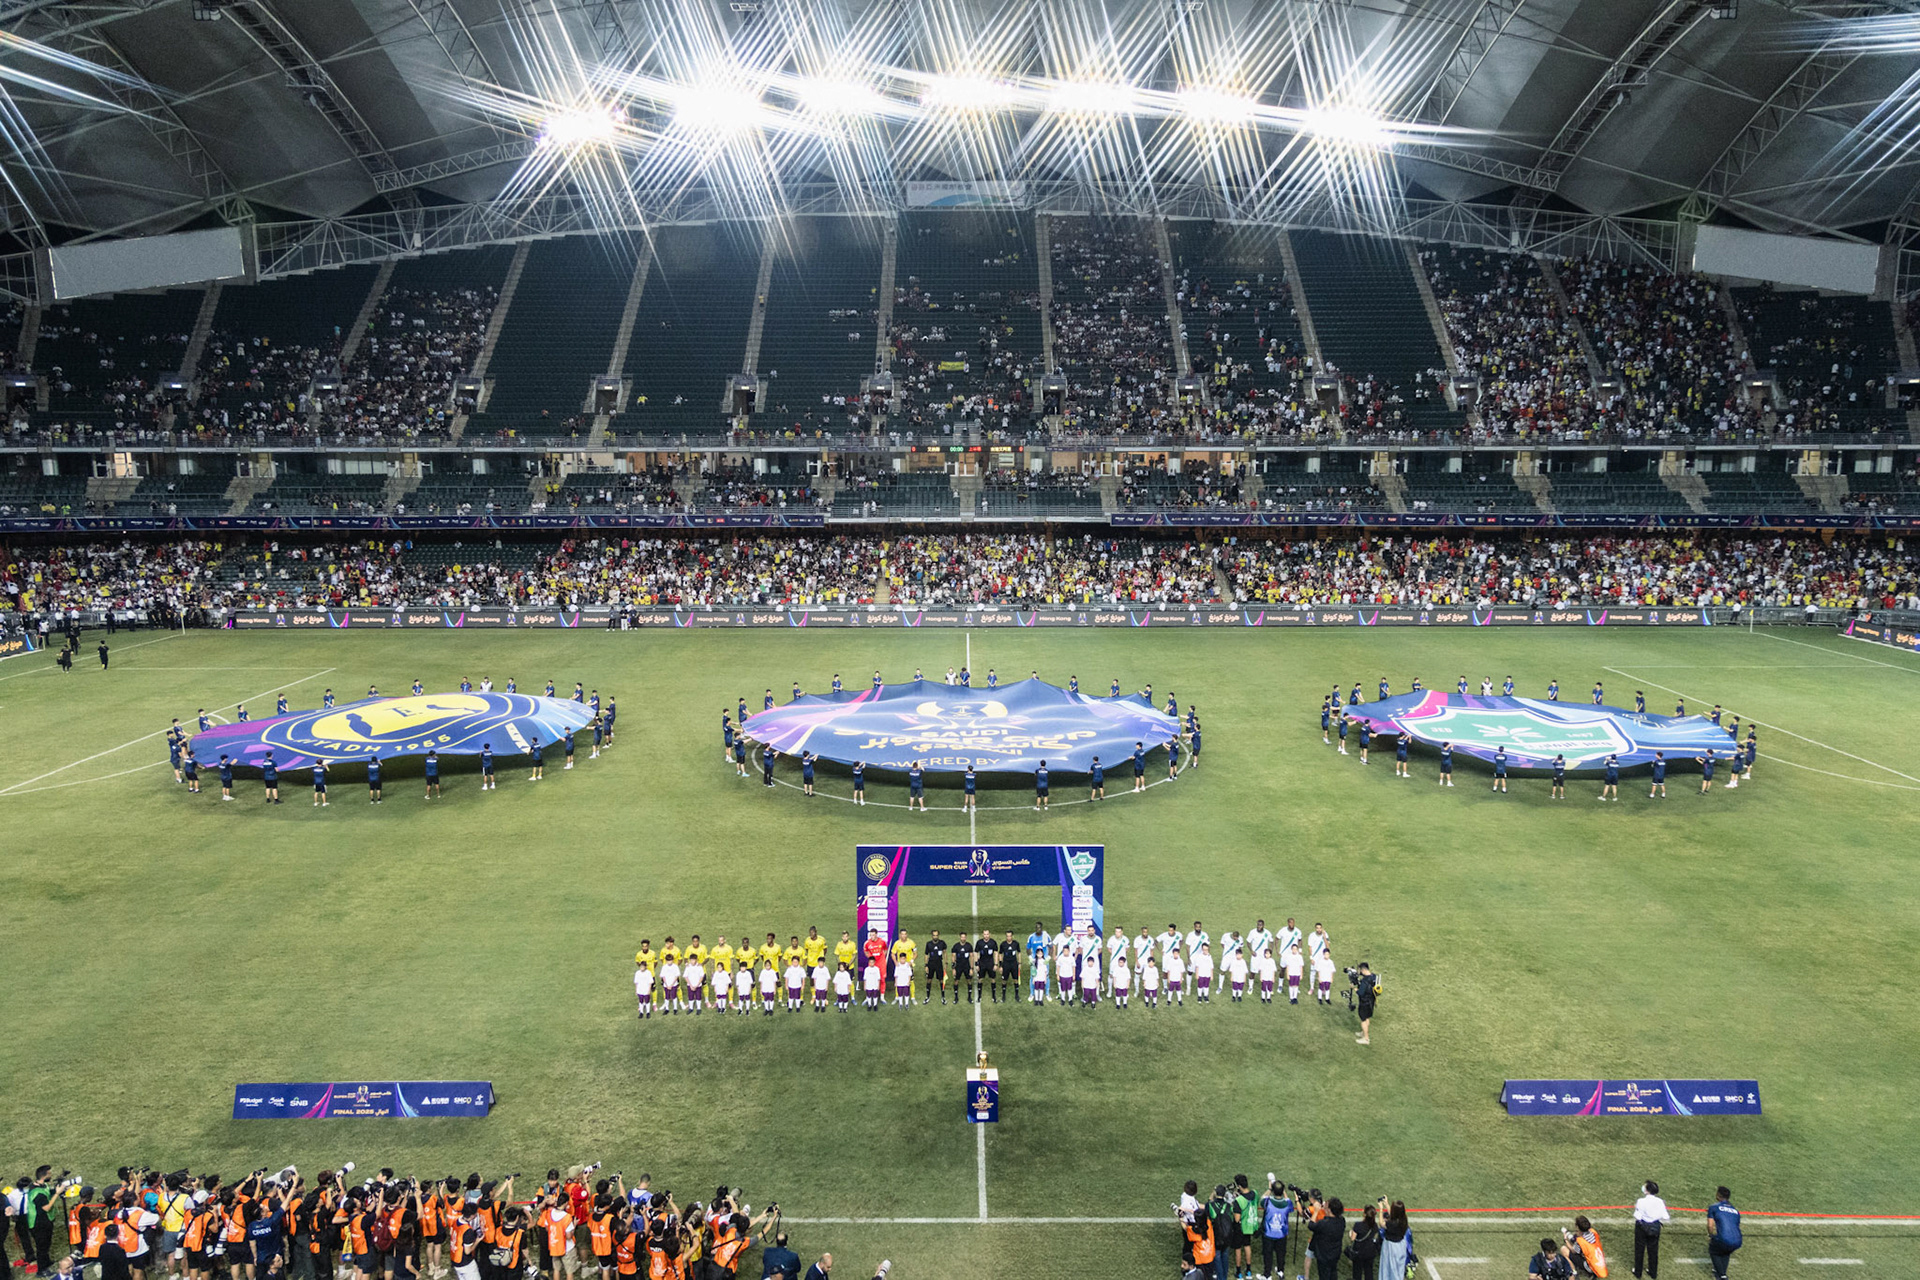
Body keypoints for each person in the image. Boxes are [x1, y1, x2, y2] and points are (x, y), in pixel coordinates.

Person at [1631, 1182, 1668, 1280]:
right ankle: (1653, 1272)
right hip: (1655, 1227)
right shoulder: (1660, 1202)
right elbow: (1665, 1216)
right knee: (1653, 1250)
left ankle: (1638, 1272)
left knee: (1639, 1249)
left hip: (1642, 1227)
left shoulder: (1641, 1201)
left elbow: (1637, 1215)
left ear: (1647, 1190)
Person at [1258, 1181, 1292, 1280]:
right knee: (1281, 1254)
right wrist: (1284, 1192)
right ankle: (1280, 1271)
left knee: (1267, 1254)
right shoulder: (1287, 1204)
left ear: (1273, 1191)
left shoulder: (1268, 1202)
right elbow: (1288, 1201)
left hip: (1269, 1233)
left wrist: (1269, 1189)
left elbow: (1262, 1198)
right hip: (1281, 1234)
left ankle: (1267, 1274)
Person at [1306, 1198, 1345, 1280]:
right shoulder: (1341, 1221)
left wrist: (1316, 1211)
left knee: (1324, 1276)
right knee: (1333, 1273)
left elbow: (1311, 1225)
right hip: (1335, 1254)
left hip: (1324, 1256)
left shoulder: (1324, 1224)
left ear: (1330, 1210)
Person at [1705, 1189, 1739, 1280]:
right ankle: (1720, 1273)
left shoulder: (1713, 1207)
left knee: (1713, 1251)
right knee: (1725, 1252)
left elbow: (1710, 1225)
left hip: (1724, 1238)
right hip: (1737, 1240)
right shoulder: (1735, 1210)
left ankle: (1722, 1275)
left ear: (1718, 1195)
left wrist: (1711, 1235)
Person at [1345, 1204, 1379, 1280]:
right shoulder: (1375, 1226)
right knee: (1369, 1272)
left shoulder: (1358, 1225)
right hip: (1370, 1251)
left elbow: (1353, 1238)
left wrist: (1350, 1234)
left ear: (1364, 1214)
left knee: (1357, 1272)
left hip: (1359, 1252)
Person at [1354, 961, 1380, 1044]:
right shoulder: (1374, 977)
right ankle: (1363, 1032)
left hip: (1364, 1002)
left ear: (1363, 970)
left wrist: (1356, 990)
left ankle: (1366, 1038)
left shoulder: (1365, 981)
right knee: (1367, 1017)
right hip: (1371, 1001)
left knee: (1363, 1019)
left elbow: (1361, 993)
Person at [924, 929, 947, 1005]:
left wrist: (946, 963)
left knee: (941, 980)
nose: (935, 937)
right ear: (932, 936)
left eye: (936, 935)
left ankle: (943, 997)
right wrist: (926, 965)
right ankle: (927, 997)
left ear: (938, 936)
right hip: (931, 964)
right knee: (929, 980)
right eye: (934, 935)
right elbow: (926, 955)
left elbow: (945, 953)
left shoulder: (942, 943)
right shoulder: (929, 944)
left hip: (939, 964)